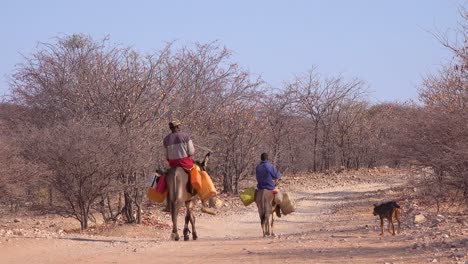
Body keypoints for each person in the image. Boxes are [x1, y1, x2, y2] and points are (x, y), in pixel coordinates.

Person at [256, 152, 282, 217]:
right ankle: (277, 210)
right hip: (269, 187)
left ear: (261, 159)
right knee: (278, 195)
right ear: (267, 158)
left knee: (255, 196)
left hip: (260, 187)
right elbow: (277, 175)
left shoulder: (258, 167)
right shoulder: (270, 166)